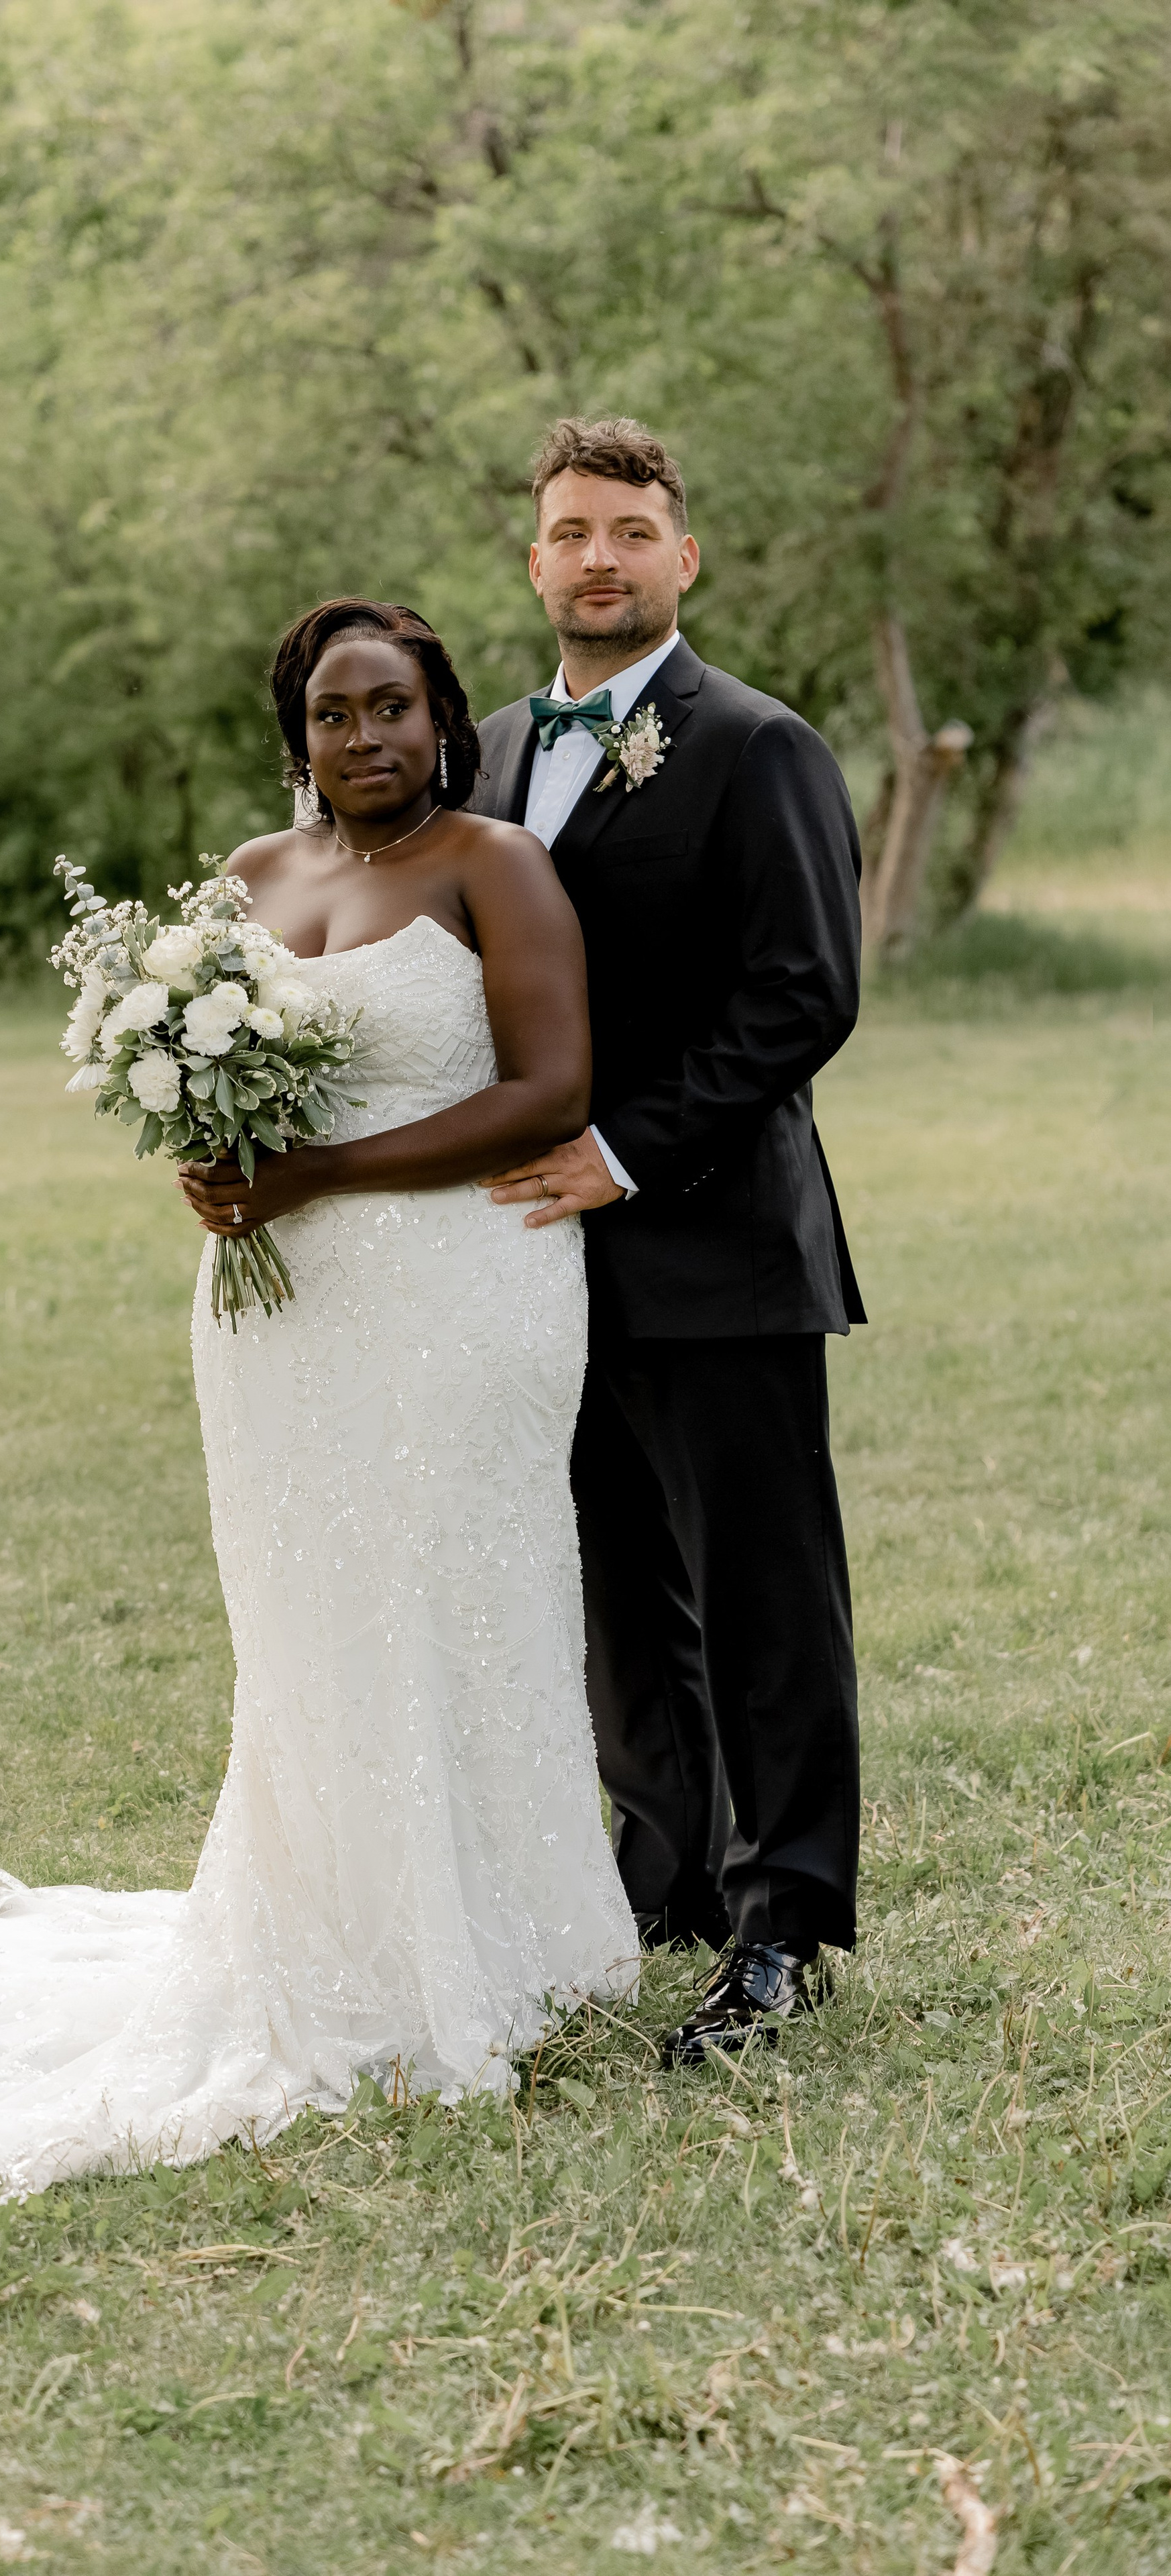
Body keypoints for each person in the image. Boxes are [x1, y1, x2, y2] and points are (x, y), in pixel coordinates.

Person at [0, 598, 637, 2196]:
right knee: (308, 1613)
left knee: (457, 1589)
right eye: (330, 713)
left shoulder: (494, 867)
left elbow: (546, 1091)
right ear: (292, 734)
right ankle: (322, 1937)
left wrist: (313, 1170)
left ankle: (505, 1944)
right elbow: (210, 1078)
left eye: (389, 708)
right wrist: (216, 1155)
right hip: (278, 1314)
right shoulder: (246, 881)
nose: (362, 738)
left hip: (461, 1289)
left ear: (443, 719)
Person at [473, 415, 865, 2065]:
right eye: (570, 531)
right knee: (621, 1597)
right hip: (537, 1272)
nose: (598, 557)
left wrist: (624, 1153)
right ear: (534, 556)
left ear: (679, 557)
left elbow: (803, 993)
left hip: (715, 1250)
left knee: (762, 1599)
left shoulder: (754, 744)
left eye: (629, 531)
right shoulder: (482, 751)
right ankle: (663, 1873)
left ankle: (781, 1925)